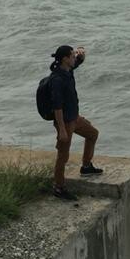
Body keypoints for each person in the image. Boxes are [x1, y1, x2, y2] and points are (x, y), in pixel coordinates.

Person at [49, 44, 102, 200]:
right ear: (65, 59)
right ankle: (58, 187)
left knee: (93, 134)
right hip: (64, 123)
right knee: (63, 156)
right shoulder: (57, 80)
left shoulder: (67, 70)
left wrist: (81, 55)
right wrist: (62, 130)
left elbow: (78, 63)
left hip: (74, 118)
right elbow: (57, 107)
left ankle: (86, 166)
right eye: (72, 56)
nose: (74, 58)